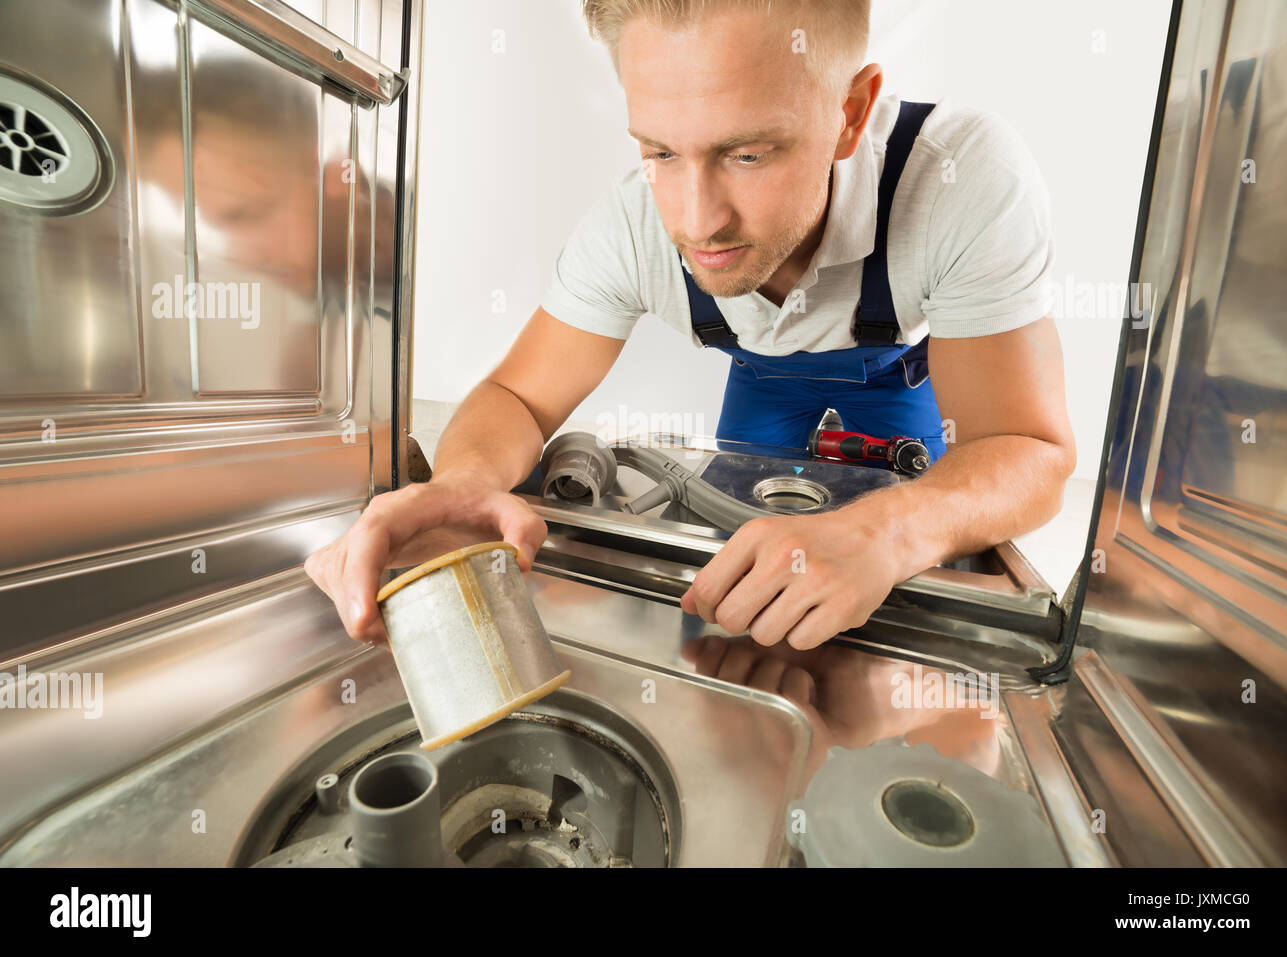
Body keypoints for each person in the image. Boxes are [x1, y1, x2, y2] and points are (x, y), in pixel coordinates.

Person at [306, 0, 1076, 651]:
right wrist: (464, 486)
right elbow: (518, 395)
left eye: (747, 153)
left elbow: (1026, 451)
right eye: (661, 150)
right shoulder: (631, 225)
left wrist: (895, 529)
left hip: (895, 381)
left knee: (902, 564)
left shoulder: (962, 178)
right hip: (763, 388)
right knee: (748, 599)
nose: (696, 220)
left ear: (849, 113)